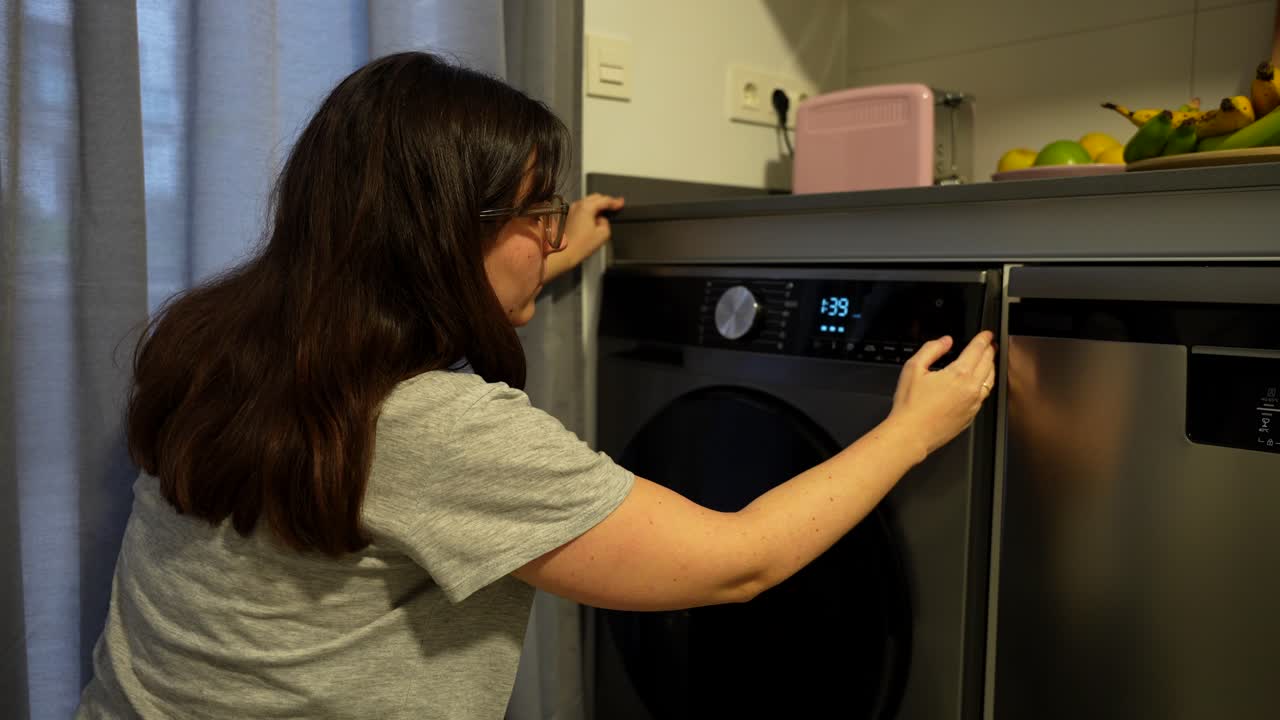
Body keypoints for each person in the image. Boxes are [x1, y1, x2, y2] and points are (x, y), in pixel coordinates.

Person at [76, 51, 996, 719]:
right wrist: (910, 430)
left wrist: (542, 261)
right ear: (445, 236)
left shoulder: (215, 338)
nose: (552, 235)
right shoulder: (436, 425)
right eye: (536, 215)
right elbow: (737, 561)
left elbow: (403, 315)